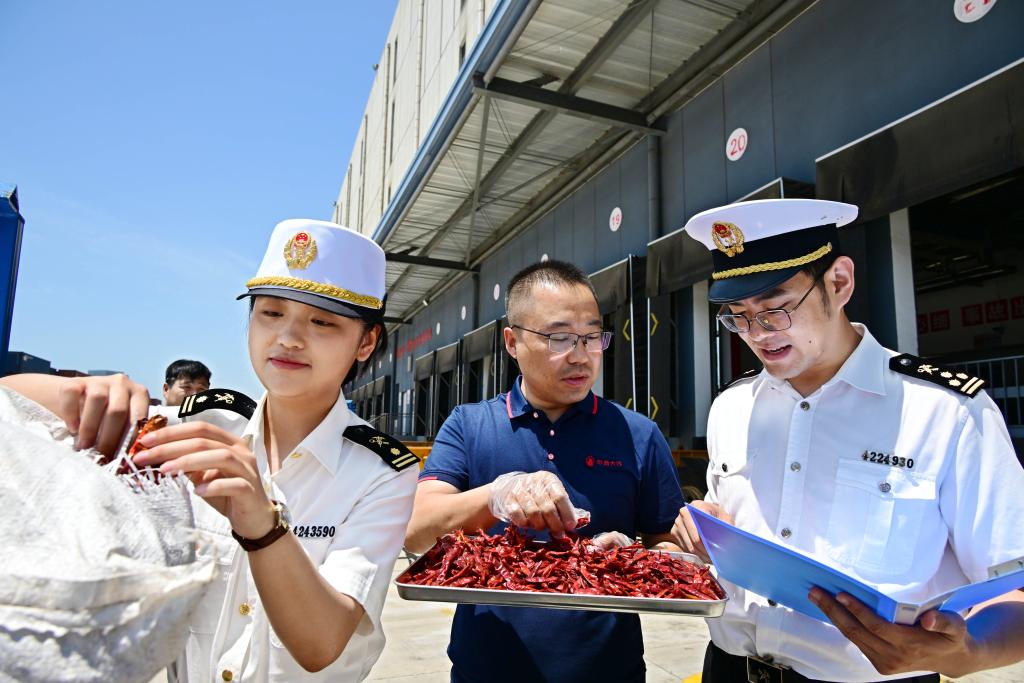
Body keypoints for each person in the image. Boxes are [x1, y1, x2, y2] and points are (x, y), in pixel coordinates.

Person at [0, 218, 420, 682]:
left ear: (366, 342)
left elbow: (321, 643)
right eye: (271, 313)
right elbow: (11, 402)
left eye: (321, 322)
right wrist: (82, 395)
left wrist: (264, 528)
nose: (288, 338)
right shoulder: (203, 426)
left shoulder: (381, 471)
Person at [672, 199, 1024, 682]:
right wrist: (706, 530)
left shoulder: (945, 412)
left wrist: (966, 654)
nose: (757, 334)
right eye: (738, 316)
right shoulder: (731, 408)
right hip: (728, 669)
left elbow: (1013, 584)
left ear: (838, 283)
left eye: (775, 310)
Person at [405, 260, 685, 683]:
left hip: (610, 672)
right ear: (512, 342)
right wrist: (497, 495)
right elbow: (416, 529)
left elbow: (668, 544)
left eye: (592, 337)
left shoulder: (638, 434)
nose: (581, 356)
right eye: (560, 338)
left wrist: (632, 556)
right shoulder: (469, 425)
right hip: (486, 672)